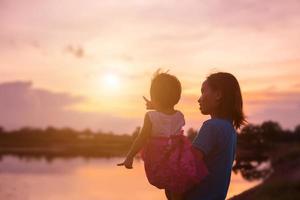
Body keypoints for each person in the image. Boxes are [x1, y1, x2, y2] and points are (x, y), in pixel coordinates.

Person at [117, 70, 208, 200]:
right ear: (176, 98)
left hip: (160, 161)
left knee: (170, 189)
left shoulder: (151, 116)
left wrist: (130, 156)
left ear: (154, 96)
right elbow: (167, 115)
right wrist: (156, 105)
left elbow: (142, 138)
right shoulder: (179, 115)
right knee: (175, 188)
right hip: (179, 160)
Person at [184, 72, 246, 200]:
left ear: (218, 95)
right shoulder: (230, 130)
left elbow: (188, 167)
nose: (199, 99)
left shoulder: (211, 127)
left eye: (203, 91)